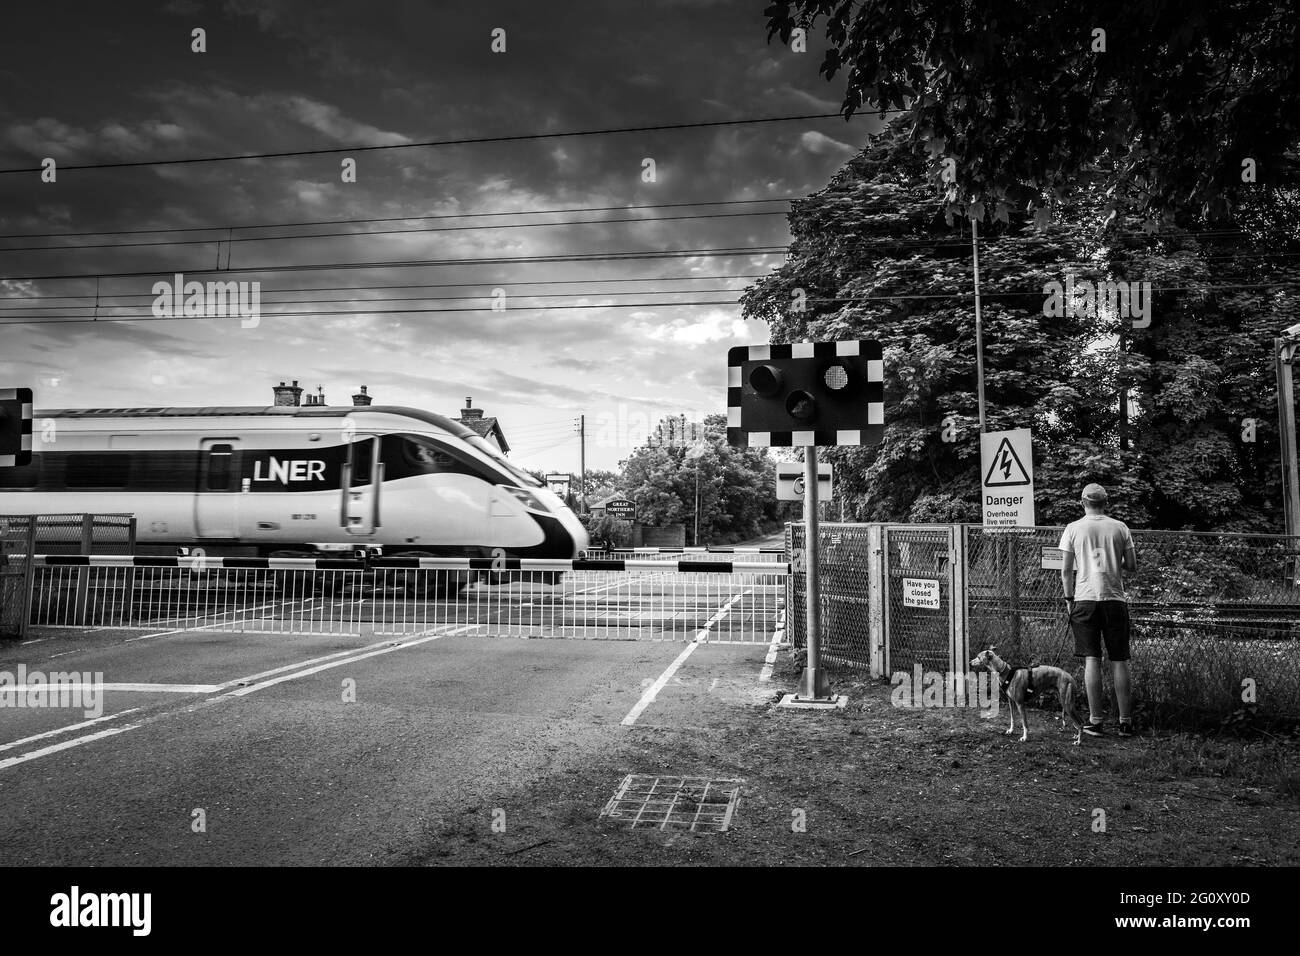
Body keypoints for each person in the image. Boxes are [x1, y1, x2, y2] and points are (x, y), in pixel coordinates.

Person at [1058, 483, 1136, 738]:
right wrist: (1114, 561)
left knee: (1092, 659)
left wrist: (1069, 598)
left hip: (1085, 599)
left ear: (1083, 502)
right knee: (1119, 659)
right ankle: (1125, 722)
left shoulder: (1073, 528)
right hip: (1114, 599)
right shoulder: (1120, 527)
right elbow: (1132, 565)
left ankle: (1096, 721)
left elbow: (1066, 570)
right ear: (1106, 502)